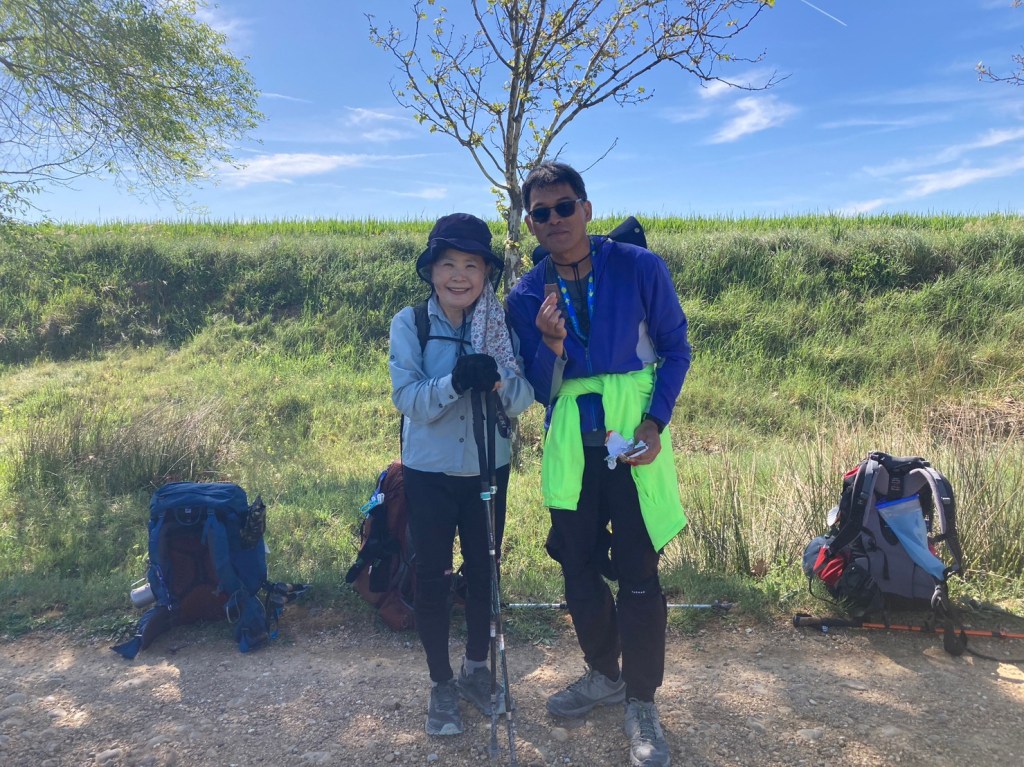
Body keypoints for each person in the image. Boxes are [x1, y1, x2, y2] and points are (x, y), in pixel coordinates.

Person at [506, 162, 691, 767]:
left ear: (586, 208)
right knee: (577, 565)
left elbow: (675, 349)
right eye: (541, 213)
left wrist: (655, 423)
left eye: (565, 206)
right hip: (571, 449)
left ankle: (642, 701)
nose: (554, 219)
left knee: (638, 572)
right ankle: (603, 673)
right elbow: (539, 388)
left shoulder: (639, 267)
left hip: (632, 440)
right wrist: (550, 344)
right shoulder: (525, 296)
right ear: (530, 224)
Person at [389, 213, 534, 737]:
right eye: (447, 263)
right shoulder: (411, 323)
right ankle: (441, 684)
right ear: (431, 270)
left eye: (471, 265)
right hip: (428, 473)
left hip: (487, 470)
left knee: (484, 573)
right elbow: (408, 399)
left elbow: (522, 398)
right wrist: (455, 381)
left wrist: (497, 382)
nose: (459, 276)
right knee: (431, 576)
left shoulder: (499, 326)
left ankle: (476, 670)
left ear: (486, 273)